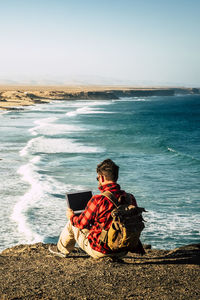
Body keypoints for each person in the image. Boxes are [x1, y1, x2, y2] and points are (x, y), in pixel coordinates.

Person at [57, 158, 138, 259]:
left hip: (102, 251)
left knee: (72, 223)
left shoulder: (98, 199)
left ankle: (61, 250)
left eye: (98, 178)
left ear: (102, 178)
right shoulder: (130, 198)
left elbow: (81, 223)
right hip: (123, 250)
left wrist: (71, 216)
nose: (98, 181)